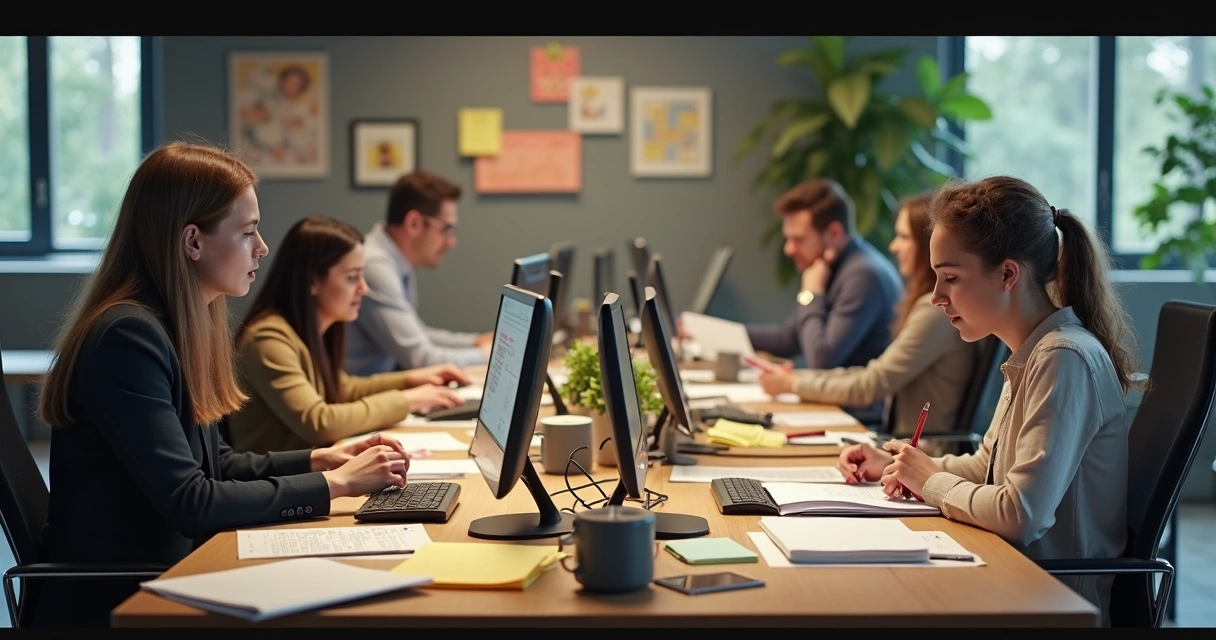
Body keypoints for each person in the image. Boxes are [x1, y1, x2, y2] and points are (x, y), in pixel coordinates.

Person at [30, 141, 414, 628]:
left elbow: (218, 462)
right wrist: (336, 485)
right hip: (121, 598)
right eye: (248, 231)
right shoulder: (127, 337)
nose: (263, 247)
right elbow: (192, 501)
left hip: (174, 571)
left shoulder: (177, 325)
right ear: (193, 242)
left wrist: (321, 458)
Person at [837, 176, 1139, 626]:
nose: (936, 298)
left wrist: (931, 481)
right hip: (1011, 574)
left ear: (1008, 274)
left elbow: (1021, 515)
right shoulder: (1032, 351)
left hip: (1049, 595)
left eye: (951, 279)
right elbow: (987, 468)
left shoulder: (1063, 358)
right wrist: (898, 464)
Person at [227, 215, 467, 455]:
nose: (364, 288)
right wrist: (409, 400)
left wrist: (411, 380)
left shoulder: (301, 331)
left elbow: (342, 388)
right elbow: (320, 423)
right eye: (352, 277)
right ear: (312, 281)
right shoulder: (268, 340)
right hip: (276, 483)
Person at [755, 191, 979, 446]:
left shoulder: (933, 310)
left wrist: (811, 294)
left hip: (918, 453)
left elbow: (867, 381)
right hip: (896, 442)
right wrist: (795, 380)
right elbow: (790, 337)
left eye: (904, 237)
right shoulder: (924, 303)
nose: (893, 246)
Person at [742, 178, 904, 423]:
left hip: (858, 419)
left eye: (799, 239)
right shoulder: (829, 267)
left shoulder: (863, 275)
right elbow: (787, 338)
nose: (788, 249)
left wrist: (812, 293)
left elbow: (821, 359)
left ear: (834, 233)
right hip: (833, 408)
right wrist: (716, 331)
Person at [344, 170, 493, 375]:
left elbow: (415, 333)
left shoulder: (395, 259)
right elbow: (421, 359)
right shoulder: (375, 267)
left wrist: (474, 342)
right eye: (446, 229)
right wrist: (491, 355)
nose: (451, 241)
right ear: (414, 223)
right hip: (361, 397)